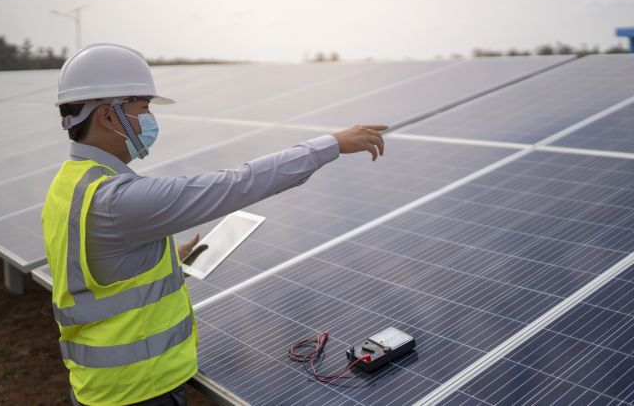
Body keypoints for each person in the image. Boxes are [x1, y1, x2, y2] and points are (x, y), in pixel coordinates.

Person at [41, 43, 387, 406]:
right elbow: (239, 184)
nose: (149, 120)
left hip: (103, 387)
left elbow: (91, 269)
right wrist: (330, 145)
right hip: (139, 392)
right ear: (108, 117)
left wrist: (164, 259)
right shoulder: (116, 200)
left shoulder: (69, 185)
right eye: (142, 108)